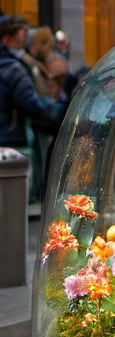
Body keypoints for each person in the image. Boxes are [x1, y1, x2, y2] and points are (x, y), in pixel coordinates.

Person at [0, 16, 65, 200]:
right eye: (21, 34)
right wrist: (57, 108)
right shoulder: (13, 67)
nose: (24, 39)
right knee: (13, 202)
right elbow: (30, 103)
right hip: (11, 141)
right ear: (6, 38)